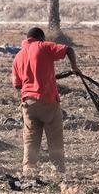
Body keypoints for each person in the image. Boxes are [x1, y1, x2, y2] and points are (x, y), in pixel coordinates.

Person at [11, 27, 78, 176]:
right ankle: (59, 170)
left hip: (28, 103)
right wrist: (75, 68)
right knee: (55, 137)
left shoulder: (18, 56)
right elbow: (68, 50)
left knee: (30, 138)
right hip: (48, 101)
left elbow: (17, 85)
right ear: (41, 38)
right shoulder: (43, 46)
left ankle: (28, 169)